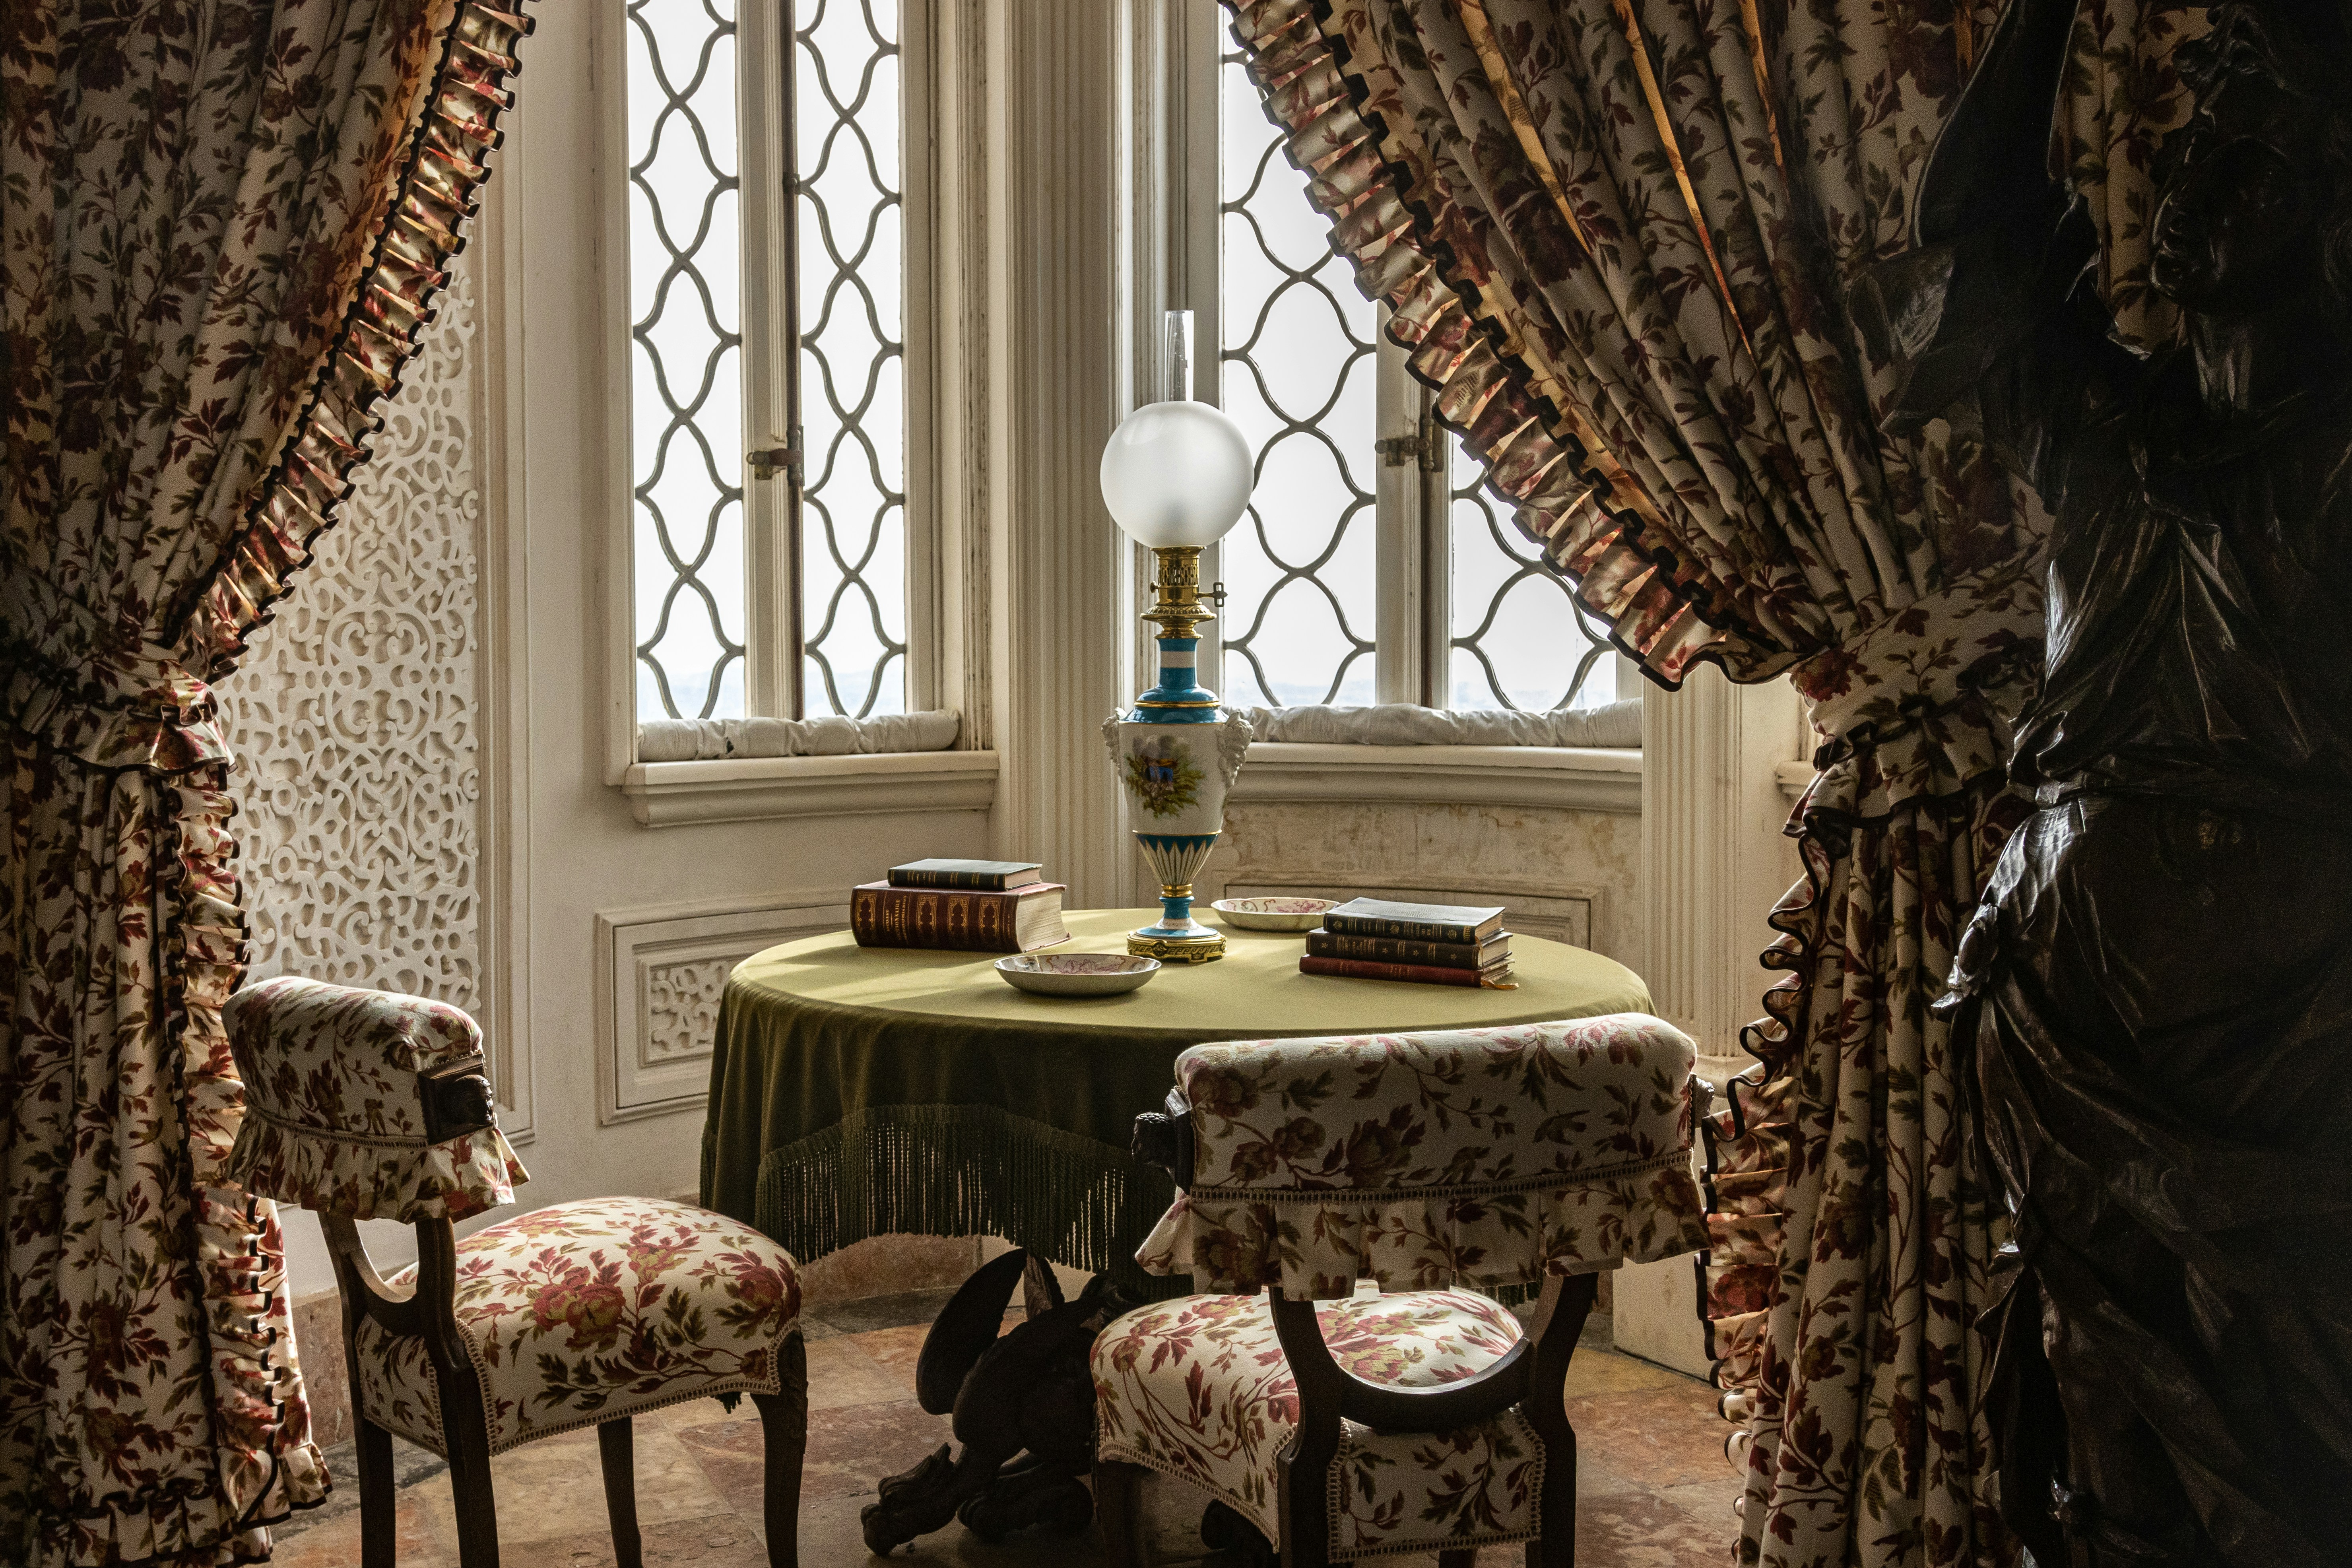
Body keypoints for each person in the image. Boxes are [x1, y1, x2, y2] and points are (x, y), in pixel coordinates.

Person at [1863, 2, 2352, 1562]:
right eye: (2189, 145)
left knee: (2292, 1423)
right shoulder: (2105, 436)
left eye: (2254, 152)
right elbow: (1981, 229)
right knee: (2093, 1410)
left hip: (2289, 1042)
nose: (2199, 182)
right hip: (2063, 1016)